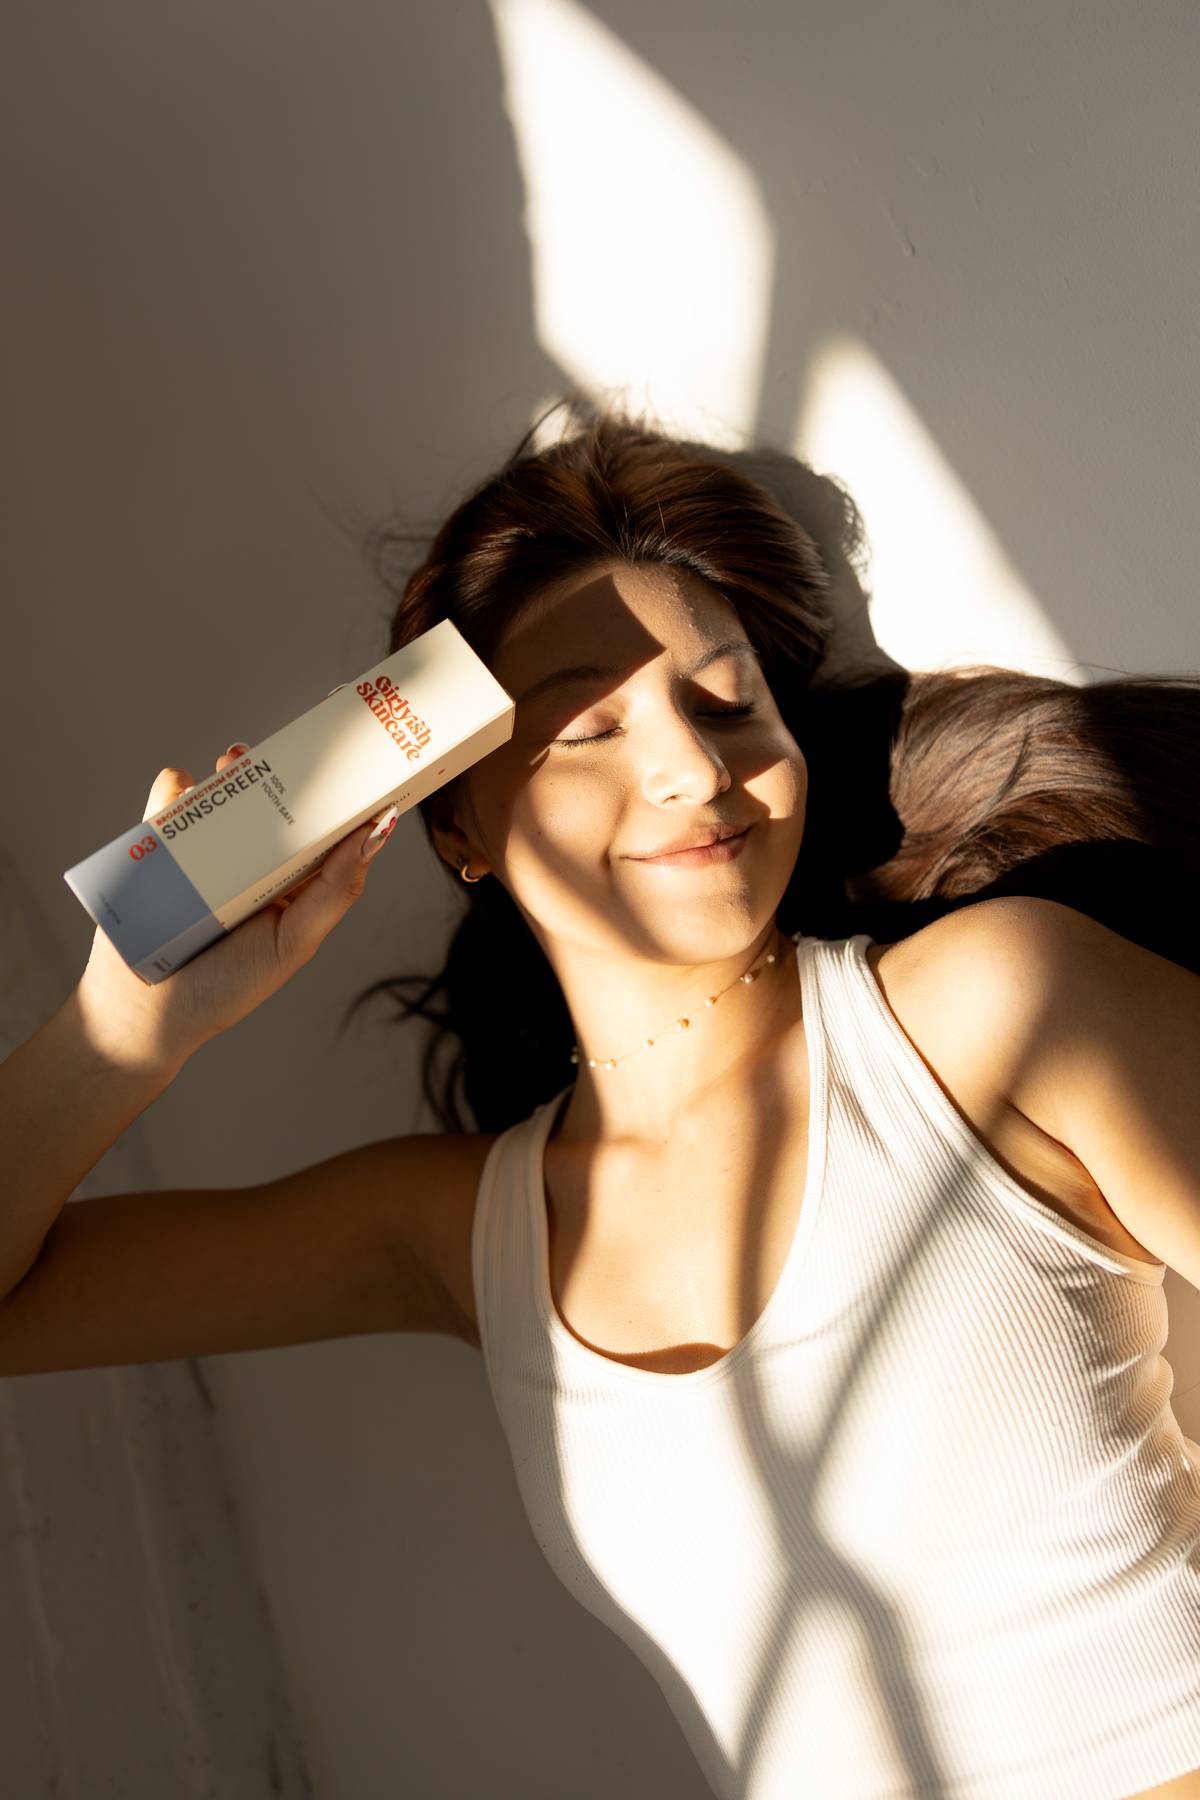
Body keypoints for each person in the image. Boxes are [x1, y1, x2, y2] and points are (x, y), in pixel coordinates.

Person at [3, 397, 1200, 1799]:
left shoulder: (991, 1009)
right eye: (588, 726)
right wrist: (120, 1033)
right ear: (457, 823)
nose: (693, 768)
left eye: (729, 703)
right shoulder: (464, 1231)